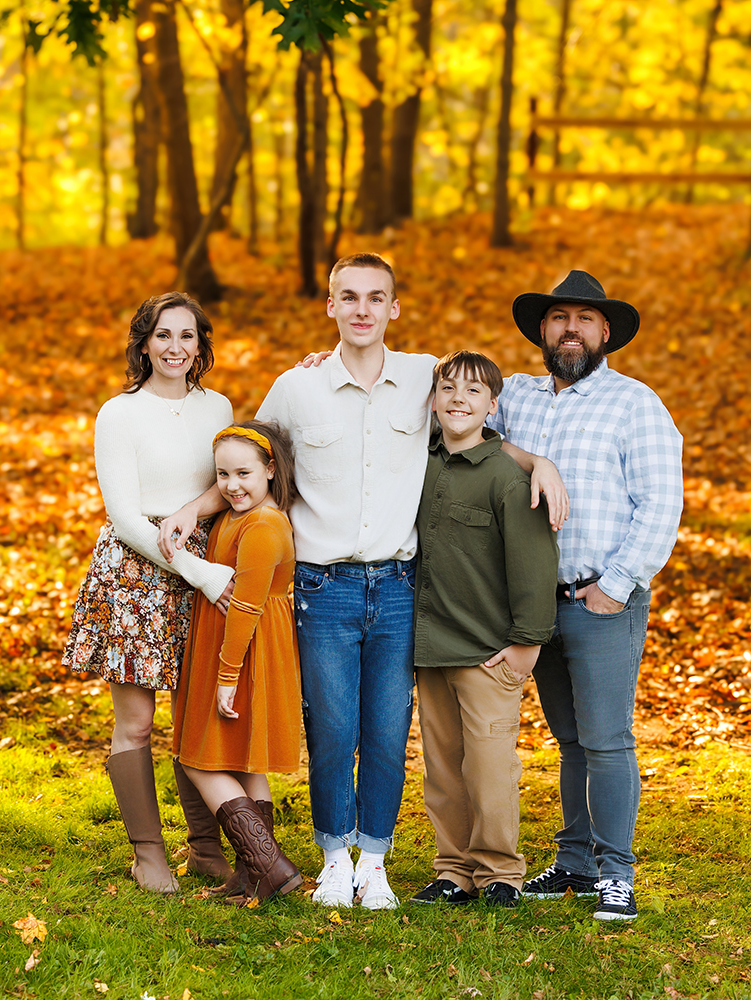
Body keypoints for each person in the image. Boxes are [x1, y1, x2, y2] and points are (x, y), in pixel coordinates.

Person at [160, 253, 567, 910]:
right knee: (332, 727)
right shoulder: (298, 386)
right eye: (347, 297)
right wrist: (191, 509)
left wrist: (536, 459)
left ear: (394, 308)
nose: (362, 309)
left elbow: (469, 431)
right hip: (325, 589)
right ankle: (334, 859)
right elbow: (250, 463)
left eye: (376, 298)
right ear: (330, 307)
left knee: (385, 728)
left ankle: (374, 861)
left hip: (401, 586)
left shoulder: (420, 377)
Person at [487, 270, 683, 921]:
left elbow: (661, 504)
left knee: (606, 740)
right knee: (569, 741)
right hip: (536, 605)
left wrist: (617, 585)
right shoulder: (514, 397)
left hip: (603, 601)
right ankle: (574, 861)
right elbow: (444, 402)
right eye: (558, 318)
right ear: (542, 330)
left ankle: (617, 874)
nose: (570, 328)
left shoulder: (636, 404)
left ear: (605, 333)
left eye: (584, 319)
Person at [60, 292, 238, 894]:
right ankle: (147, 853)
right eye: (163, 336)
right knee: (136, 723)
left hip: (202, 561)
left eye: (187, 337)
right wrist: (199, 571)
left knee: (199, 714)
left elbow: (226, 483)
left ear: (200, 346)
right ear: (143, 344)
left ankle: (206, 849)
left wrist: (200, 533)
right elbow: (127, 518)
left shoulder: (219, 407)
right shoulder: (119, 413)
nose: (175, 348)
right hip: (136, 575)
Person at [409, 351, 559, 909]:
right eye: (447, 389)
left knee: (491, 764)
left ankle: (499, 872)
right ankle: (453, 870)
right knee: (443, 766)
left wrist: (528, 641)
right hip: (430, 647)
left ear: (493, 406)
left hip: (490, 651)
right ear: (432, 400)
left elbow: (534, 561)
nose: (458, 400)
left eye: (473, 392)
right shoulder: (418, 465)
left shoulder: (505, 475)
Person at [173, 422, 305, 904]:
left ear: (271, 470)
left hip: (246, 649)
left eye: (244, 473)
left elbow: (247, 607)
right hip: (230, 641)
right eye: (223, 474)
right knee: (245, 759)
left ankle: (271, 866)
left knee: (199, 758)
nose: (232, 484)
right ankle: (254, 874)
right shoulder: (235, 516)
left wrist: (227, 678)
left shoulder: (265, 525)